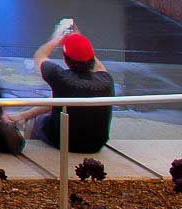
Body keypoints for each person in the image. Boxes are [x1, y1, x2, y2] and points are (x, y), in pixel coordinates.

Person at [14, 25, 114, 153]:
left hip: (65, 142)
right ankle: (24, 116)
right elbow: (95, 63)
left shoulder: (61, 78)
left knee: (38, 120)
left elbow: (40, 55)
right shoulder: (106, 80)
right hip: (96, 144)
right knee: (57, 104)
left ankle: (33, 155)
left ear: (66, 60)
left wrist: (57, 39)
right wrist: (79, 40)